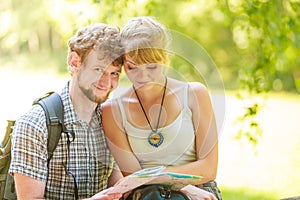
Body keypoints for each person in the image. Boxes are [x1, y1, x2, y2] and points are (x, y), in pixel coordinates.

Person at [102, 16, 222, 200]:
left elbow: (208, 168)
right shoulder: (112, 111)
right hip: (146, 195)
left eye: (151, 66)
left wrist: (164, 180)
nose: (142, 76)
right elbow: (132, 177)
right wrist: (183, 186)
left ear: (165, 58)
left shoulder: (194, 94)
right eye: (132, 67)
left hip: (201, 192)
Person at [9, 23, 125, 199]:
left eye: (114, 73)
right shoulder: (35, 124)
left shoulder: (114, 120)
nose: (106, 82)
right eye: (98, 69)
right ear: (74, 63)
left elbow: (116, 188)